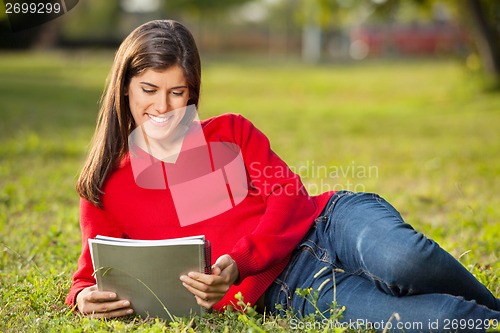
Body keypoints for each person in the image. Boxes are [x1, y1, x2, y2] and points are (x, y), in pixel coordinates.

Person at [66, 20, 500, 332]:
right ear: (124, 86)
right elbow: (91, 274)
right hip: (291, 287)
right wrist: (83, 299)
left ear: (193, 91)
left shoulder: (230, 132)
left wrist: (239, 261)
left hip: (330, 222)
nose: (163, 107)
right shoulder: (106, 186)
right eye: (149, 90)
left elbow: (289, 196)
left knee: (408, 260)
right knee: (444, 321)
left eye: (178, 92)